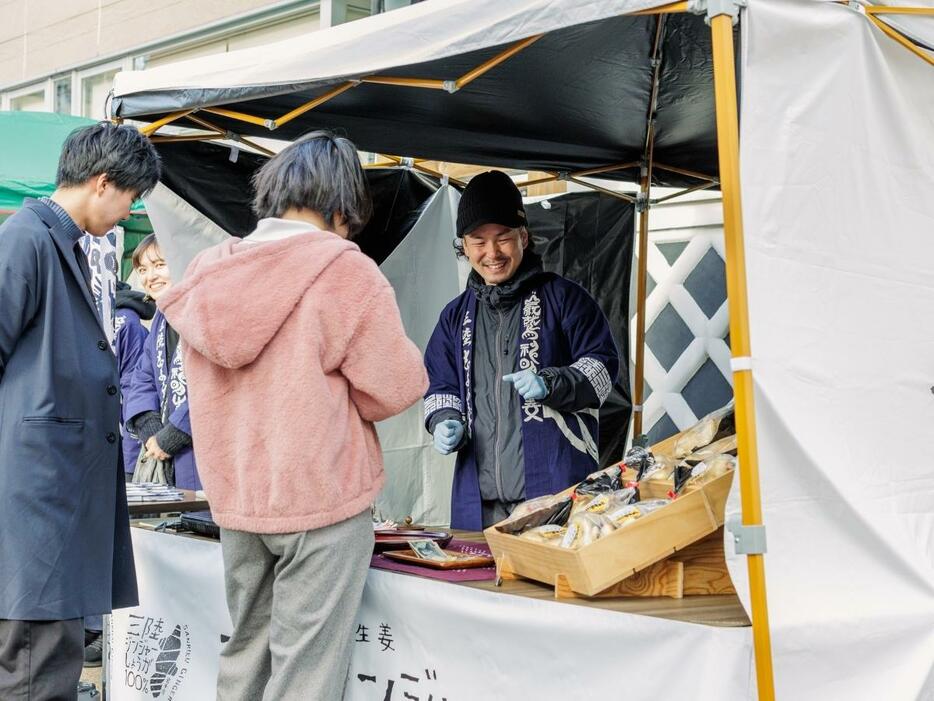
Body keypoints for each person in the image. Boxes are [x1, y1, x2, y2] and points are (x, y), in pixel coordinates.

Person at [159, 130, 428, 700]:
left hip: (236, 498)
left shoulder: (209, 271)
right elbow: (397, 388)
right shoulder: (343, 271)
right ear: (341, 207)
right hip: (321, 499)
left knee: (245, 652)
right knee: (305, 671)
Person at [0, 122, 160, 699]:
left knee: (54, 650)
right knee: (33, 660)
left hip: (57, 485)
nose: (127, 212)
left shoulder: (60, 241)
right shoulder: (26, 238)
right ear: (102, 183)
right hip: (34, 486)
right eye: (129, 198)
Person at [424, 170, 620, 530]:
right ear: (464, 247)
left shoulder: (565, 299)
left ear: (524, 237)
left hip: (555, 493)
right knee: (475, 585)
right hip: (478, 502)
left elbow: (603, 369)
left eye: (503, 238)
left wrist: (552, 382)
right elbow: (440, 385)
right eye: (478, 241)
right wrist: (443, 420)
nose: (492, 253)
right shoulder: (454, 317)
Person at [83, 279, 156, 668]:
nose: (152, 275)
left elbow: (130, 383)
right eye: (146, 267)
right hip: (103, 443)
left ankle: (99, 628)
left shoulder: (124, 321)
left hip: (122, 445)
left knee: (113, 538)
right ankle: (94, 626)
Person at [124, 234, 202, 489]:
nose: (150, 276)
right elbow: (142, 380)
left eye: (159, 265)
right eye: (143, 269)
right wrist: (150, 429)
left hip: (201, 449)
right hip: (165, 450)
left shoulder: (203, 312)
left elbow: (217, 383)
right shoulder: (161, 318)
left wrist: (172, 435)